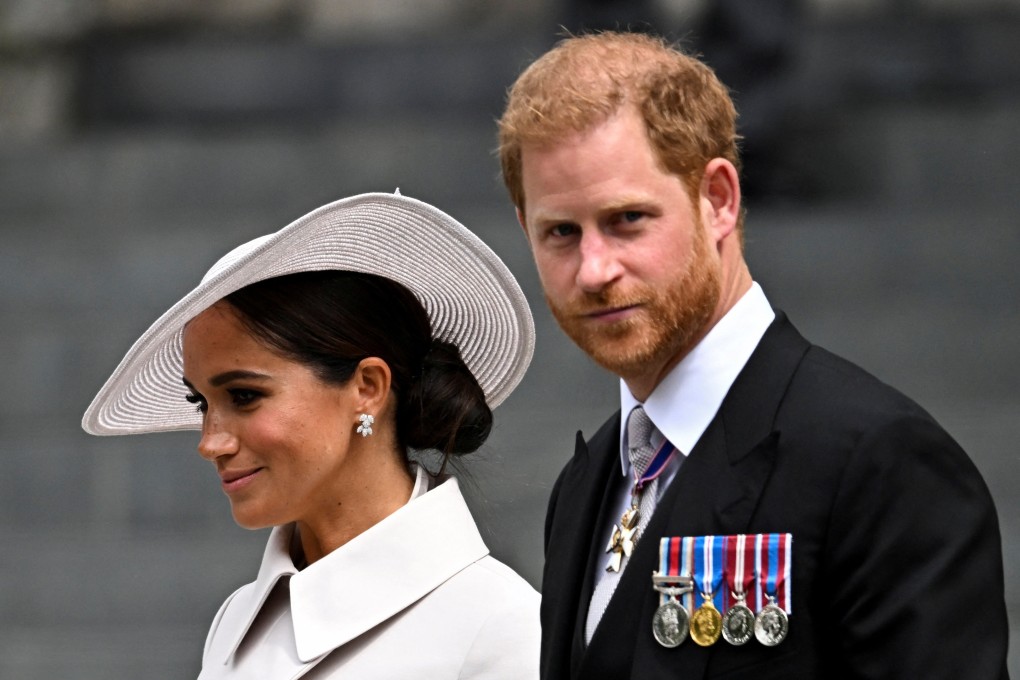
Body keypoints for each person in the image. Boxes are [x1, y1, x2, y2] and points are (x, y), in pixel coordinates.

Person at [497, 31, 1009, 679]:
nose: (594, 269)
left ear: (718, 199)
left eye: (628, 219)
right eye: (561, 233)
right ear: (525, 229)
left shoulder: (881, 464)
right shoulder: (587, 482)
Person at [82, 192, 540, 678]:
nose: (209, 442)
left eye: (243, 396)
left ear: (367, 387)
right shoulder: (235, 622)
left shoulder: (499, 628)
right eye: (201, 403)